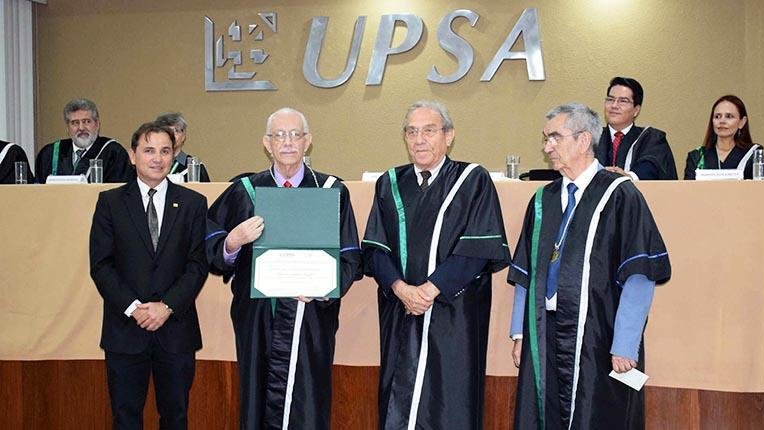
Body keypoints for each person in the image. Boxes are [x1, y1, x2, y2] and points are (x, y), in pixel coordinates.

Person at [508, 103, 671, 429]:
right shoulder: (543, 200)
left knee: (594, 416)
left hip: (598, 334)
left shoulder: (620, 195)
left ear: (583, 140)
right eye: (545, 138)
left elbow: (639, 275)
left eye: (555, 137)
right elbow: (526, 272)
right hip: (543, 332)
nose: (547, 147)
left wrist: (625, 344)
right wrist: (520, 333)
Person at [205, 107, 362, 429]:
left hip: (310, 317)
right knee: (257, 396)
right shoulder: (244, 191)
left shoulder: (331, 190)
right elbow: (210, 244)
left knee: (308, 399)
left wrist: (324, 288)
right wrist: (232, 241)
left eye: (295, 135)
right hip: (258, 317)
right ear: (267, 143)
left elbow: (350, 257)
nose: (287, 142)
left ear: (308, 141)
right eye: (279, 135)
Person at [362, 100, 510, 429]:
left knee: (448, 400)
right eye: (412, 132)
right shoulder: (389, 182)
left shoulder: (472, 179)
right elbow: (375, 248)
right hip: (400, 310)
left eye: (429, 130)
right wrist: (402, 290)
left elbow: (478, 248)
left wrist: (429, 291)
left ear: (449, 135)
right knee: (397, 398)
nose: (419, 140)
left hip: (453, 312)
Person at [89, 121, 208, 429]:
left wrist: (166, 307)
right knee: (125, 418)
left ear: (174, 155)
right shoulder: (110, 202)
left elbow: (197, 265)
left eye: (165, 151)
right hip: (125, 330)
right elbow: (101, 265)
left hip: (176, 330)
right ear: (133, 155)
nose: (157, 158)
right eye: (149, 150)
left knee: (176, 417)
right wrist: (134, 308)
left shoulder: (194, 203)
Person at [597, 76, 678, 180]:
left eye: (623, 101)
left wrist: (628, 177)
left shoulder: (651, 138)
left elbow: (651, 167)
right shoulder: (590, 138)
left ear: (636, 110)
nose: (614, 105)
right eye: (610, 99)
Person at [35, 98, 131, 183]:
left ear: (97, 124)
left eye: (86, 122)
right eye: (75, 123)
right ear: (67, 128)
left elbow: (119, 192)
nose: (81, 128)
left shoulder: (113, 153)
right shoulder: (49, 154)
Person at [684, 95, 762, 180]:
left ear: (742, 122)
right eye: (717, 116)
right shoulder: (697, 156)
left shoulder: (753, 154)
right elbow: (688, 188)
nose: (722, 121)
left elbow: (762, 186)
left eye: (729, 116)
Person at [156, 112, 212, 182]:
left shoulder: (194, 166)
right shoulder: (153, 163)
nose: (172, 135)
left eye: (176, 131)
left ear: (183, 136)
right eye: (167, 131)